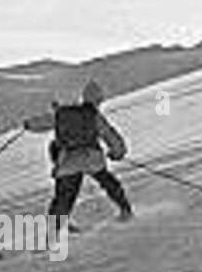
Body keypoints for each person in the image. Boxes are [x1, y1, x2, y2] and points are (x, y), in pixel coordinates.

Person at [23, 78, 132, 235]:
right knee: (109, 183)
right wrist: (117, 152)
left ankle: (54, 229)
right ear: (97, 100)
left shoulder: (61, 114)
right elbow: (109, 135)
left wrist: (28, 124)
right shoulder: (94, 115)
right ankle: (125, 210)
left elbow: (41, 122)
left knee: (64, 195)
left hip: (69, 161)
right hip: (91, 158)